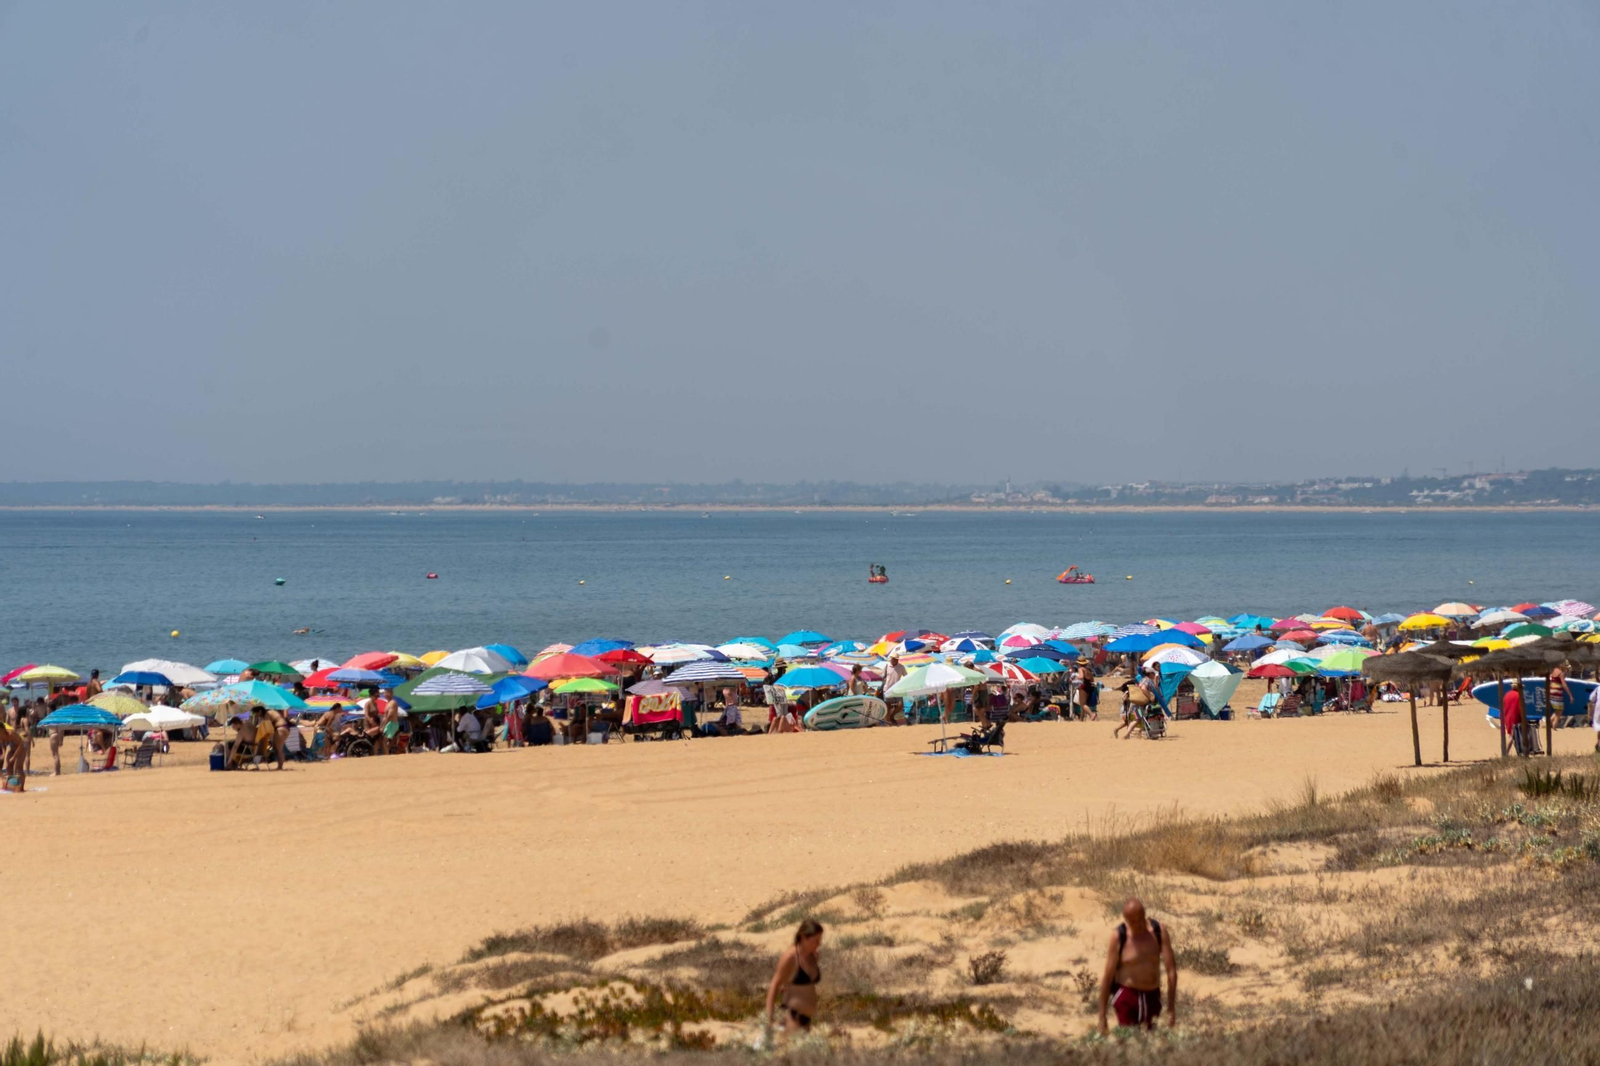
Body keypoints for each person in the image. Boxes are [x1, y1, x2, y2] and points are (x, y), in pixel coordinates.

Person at [1098, 898, 1177, 1033]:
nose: (1139, 924)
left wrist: (1171, 1008)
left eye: (1141, 918)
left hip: (1152, 996)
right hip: (1127, 996)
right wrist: (1102, 1016)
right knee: (1129, 1041)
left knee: (1152, 1041)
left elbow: (1171, 972)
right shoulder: (1119, 937)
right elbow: (1108, 976)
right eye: (1134, 921)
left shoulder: (1158, 931)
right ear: (1126, 920)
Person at [765, 920, 825, 1037]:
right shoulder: (790, 957)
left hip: (807, 1018)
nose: (819, 944)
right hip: (791, 1016)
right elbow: (774, 985)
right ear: (803, 937)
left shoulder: (813, 956)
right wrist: (769, 1017)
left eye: (820, 940)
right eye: (816, 940)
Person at [1503, 680, 1528, 757]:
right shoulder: (1519, 696)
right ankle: (1505, 753)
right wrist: (1524, 719)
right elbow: (1521, 709)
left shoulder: (1507, 695)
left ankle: (1517, 752)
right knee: (1513, 736)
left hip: (1507, 717)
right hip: (1515, 718)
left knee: (1513, 735)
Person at [881, 655, 906, 725]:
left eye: (897, 659)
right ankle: (887, 721)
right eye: (895, 659)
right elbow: (882, 677)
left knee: (900, 705)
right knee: (888, 706)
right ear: (891, 659)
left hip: (897, 689)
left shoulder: (901, 667)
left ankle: (892, 716)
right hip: (887, 688)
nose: (896, 660)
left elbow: (906, 676)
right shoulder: (886, 666)